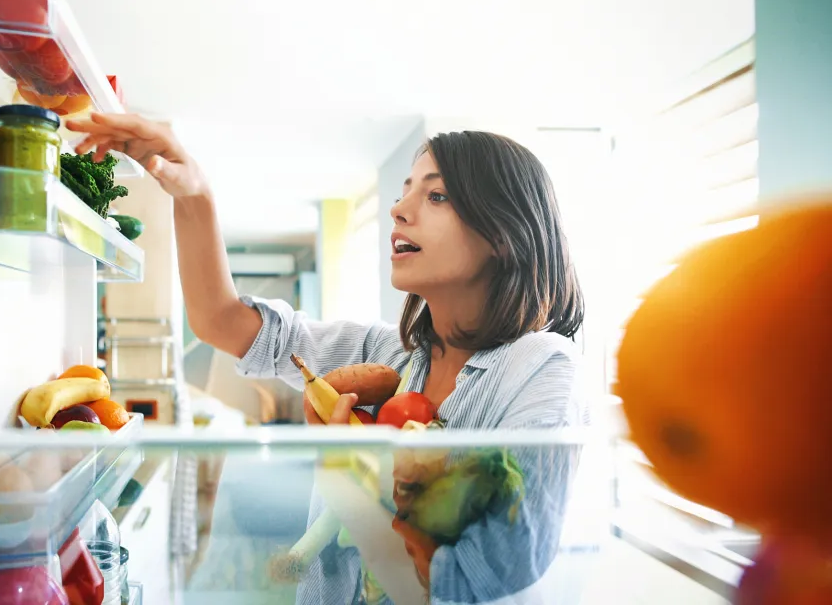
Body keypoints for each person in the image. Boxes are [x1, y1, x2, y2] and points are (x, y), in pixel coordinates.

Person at [67, 114, 589, 604]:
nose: (399, 208)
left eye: (436, 195)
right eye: (406, 188)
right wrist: (194, 193)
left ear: (502, 234)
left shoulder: (542, 369)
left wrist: (343, 474)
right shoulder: (388, 354)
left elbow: (473, 580)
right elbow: (221, 321)